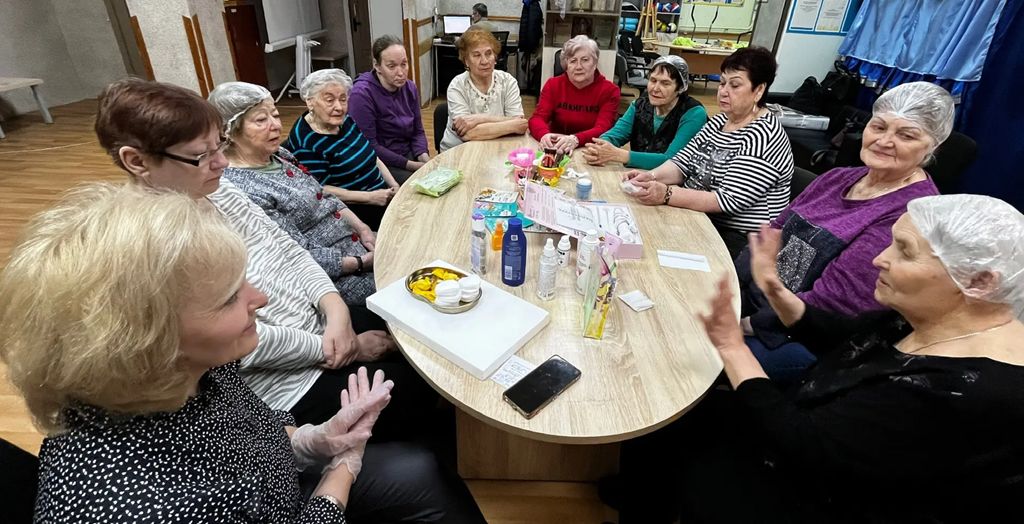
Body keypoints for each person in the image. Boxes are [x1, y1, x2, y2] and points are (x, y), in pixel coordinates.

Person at [93, 78, 488, 523]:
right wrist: (339, 352)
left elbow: (288, 249)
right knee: (419, 390)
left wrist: (333, 307)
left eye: (219, 145)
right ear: (137, 161)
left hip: (315, 340)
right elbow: (240, 348)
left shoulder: (220, 190)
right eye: (202, 155)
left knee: (421, 339)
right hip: (296, 372)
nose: (221, 162)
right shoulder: (156, 248)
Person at [616, 193, 1024, 523]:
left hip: (818, 496)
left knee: (679, 428)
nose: (880, 259)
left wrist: (731, 347)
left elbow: (805, 446)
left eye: (904, 251)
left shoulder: (961, 392)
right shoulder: (934, 317)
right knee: (666, 420)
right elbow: (846, 337)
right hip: (813, 432)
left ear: (979, 281)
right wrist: (774, 287)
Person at [0, 182, 391, 522]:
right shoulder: (155, 506)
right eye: (229, 298)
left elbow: (256, 429)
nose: (260, 298)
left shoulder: (196, 368)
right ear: (146, 340)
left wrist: (314, 439)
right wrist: (341, 470)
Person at [737, 81, 950, 382]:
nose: (885, 141)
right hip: (757, 300)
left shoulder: (909, 214)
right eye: (879, 127)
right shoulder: (838, 177)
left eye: (906, 135)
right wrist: (730, 286)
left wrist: (743, 323)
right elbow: (770, 234)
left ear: (932, 145)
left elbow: (834, 305)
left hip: (801, 336)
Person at [209, 81, 377, 305]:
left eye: (275, 115)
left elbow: (323, 195)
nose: (276, 125)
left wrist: (363, 228)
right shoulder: (243, 189)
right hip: (337, 278)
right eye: (261, 120)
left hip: (356, 243)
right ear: (229, 130)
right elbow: (296, 254)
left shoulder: (279, 154)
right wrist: (362, 262)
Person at [622, 46, 793, 258]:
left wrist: (666, 194)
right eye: (722, 83)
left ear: (758, 90)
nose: (723, 91)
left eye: (735, 85)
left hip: (741, 241)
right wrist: (651, 176)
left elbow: (727, 200)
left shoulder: (763, 136)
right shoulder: (720, 121)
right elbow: (682, 163)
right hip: (699, 217)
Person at [285, 68, 400, 231]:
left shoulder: (346, 120)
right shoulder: (306, 142)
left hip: (382, 192)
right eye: (329, 100)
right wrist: (370, 197)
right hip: (356, 209)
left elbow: (371, 155)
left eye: (343, 99)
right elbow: (320, 190)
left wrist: (394, 185)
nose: (339, 107)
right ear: (310, 102)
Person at [583, 54, 707, 169]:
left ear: (680, 87)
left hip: (672, 181)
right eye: (653, 80)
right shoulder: (640, 105)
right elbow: (615, 135)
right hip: (636, 176)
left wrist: (619, 155)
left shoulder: (693, 114)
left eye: (665, 83)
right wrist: (601, 146)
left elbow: (673, 160)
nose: (655, 88)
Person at [349, 35, 430, 184]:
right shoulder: (361, 94)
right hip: (380, 162)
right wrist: (412, 165)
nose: (401, 72)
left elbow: (417, 131)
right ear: (377, 66)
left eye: (404, 64)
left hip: (407, 153)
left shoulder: (410, 87)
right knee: (419, 187)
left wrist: (424, 158)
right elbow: (369, 146)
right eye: (392, 66)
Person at [528, 35, 620, 153]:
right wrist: (544, 135)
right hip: (556, 148)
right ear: (566, 65)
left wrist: (576, 139)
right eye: (573, 61)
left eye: (585, 60)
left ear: (595, 63)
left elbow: (603, 128)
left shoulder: (610, 90)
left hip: (589, 150)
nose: (578, 67)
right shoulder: (553, 85)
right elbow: (537, 119)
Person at [439, 28, 528, 152]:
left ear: (495, 56)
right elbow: (468, 134)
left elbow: (521, 125)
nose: (484, 61)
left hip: (497, 148)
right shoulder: (457, 86)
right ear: (466, 61)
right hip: (459, 151)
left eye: (488, 53)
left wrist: (479, 119)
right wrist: (509, 124)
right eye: (476, 55)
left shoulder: (507, 81)